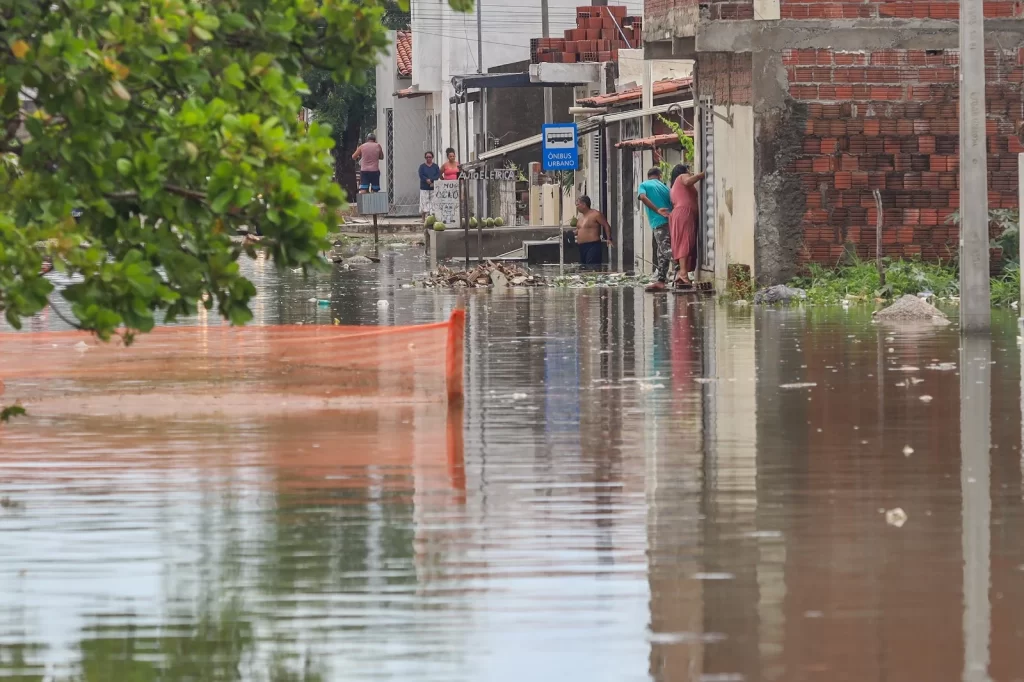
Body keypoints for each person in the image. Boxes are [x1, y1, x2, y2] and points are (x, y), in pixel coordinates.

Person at [668, 164, 706, 288]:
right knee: (685, 241)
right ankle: (683, 274)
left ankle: (681, 273)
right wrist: (702, 174)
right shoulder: (682, 177)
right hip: (685, 212)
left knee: (682, 242)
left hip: (680, 213)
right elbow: (689, 180)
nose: (690, 172)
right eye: (688, 170)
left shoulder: (674, 186)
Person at [637, 167, 673, 291]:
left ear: (649, 176)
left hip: (659, 221)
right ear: (659, 176)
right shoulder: (665, 188)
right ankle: (661, 280)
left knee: (665, 249)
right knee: (661, 252)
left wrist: (656, 210)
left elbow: (642, 197)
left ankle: (681, 270)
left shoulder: (644, 184)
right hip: (670, 221)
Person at [574, 195, 613, 267]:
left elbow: (606, 225)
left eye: (578, 205)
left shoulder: (596, 214)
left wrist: (609, 238)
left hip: (593, 246)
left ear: (584, 204)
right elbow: (580, 230)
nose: (577, 207)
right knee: (583, 268)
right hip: (582, 247)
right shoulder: (580, 218)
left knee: (592, 267)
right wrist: (570, 234)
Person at [418, 151, 441, 219]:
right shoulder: (422, 166)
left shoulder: (435, 166)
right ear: (425, 158)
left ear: (432, 157)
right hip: (424, 186)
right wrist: (426, 180)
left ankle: (432, 217)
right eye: (427, 157)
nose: (428, 158)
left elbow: (437, 175)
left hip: (433, 186)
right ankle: (423, 217)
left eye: (430, 157)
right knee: (424, 202)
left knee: (433, 202)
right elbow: (421, 175)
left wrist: (431, 180)